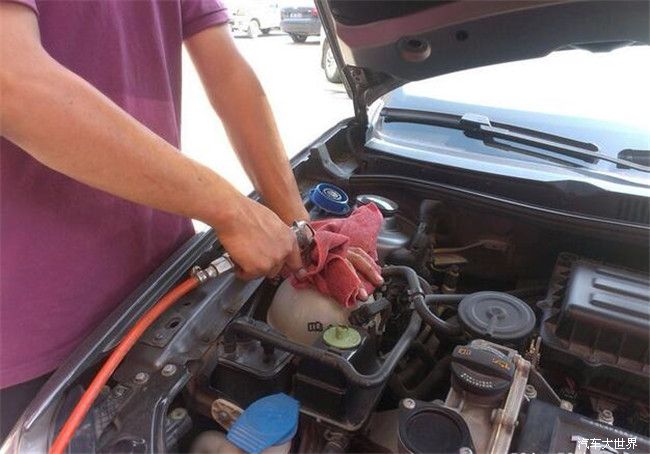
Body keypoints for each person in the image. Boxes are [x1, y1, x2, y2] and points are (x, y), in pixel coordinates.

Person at [0, 0, 383, 439]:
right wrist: (230, 209)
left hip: (168, 281)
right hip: (38, 333)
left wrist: (304, 236)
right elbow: (13, 81)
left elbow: (229, 77)